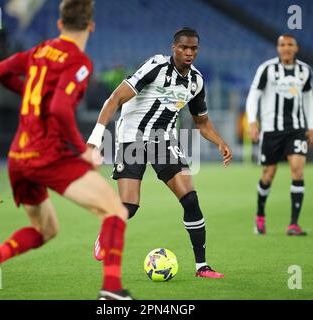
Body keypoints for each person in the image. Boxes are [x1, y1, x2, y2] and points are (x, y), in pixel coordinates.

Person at [0, 0, 133, 301]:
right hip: (48, 155)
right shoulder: (79, 62)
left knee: (45, 230)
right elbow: (58, 108)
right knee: (115, 211)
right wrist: (82, 149)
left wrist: (32, 94)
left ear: (60, 24)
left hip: (18, 157)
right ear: (91, 26)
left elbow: (1, 71)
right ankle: (111, 290)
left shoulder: (40, 50)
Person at [88, 28, 233, 278]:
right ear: (173, 47)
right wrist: (95, 139)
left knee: (190, 199)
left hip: (163, 140)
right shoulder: (155, 66)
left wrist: (220, 142)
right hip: (131, 137)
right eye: (183, 48)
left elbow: (202, 122)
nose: (189, 52)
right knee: (129, 206)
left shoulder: (196, 81)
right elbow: (114, 99)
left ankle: (202, 267)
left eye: (193, 48)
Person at [246, 34, 313, 236]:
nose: (286, 48)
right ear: (278, 48)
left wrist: (311, 126)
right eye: (282, 45)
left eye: (290, 45)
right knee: (268, 175)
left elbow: (309, 100)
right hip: (271, 130)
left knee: (297, 170)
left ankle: (293, 224)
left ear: (296, 48)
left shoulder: (305, 71)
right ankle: (260, 215)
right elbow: (254, 96)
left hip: (296, 129)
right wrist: (252, 120)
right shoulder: (267, 69)